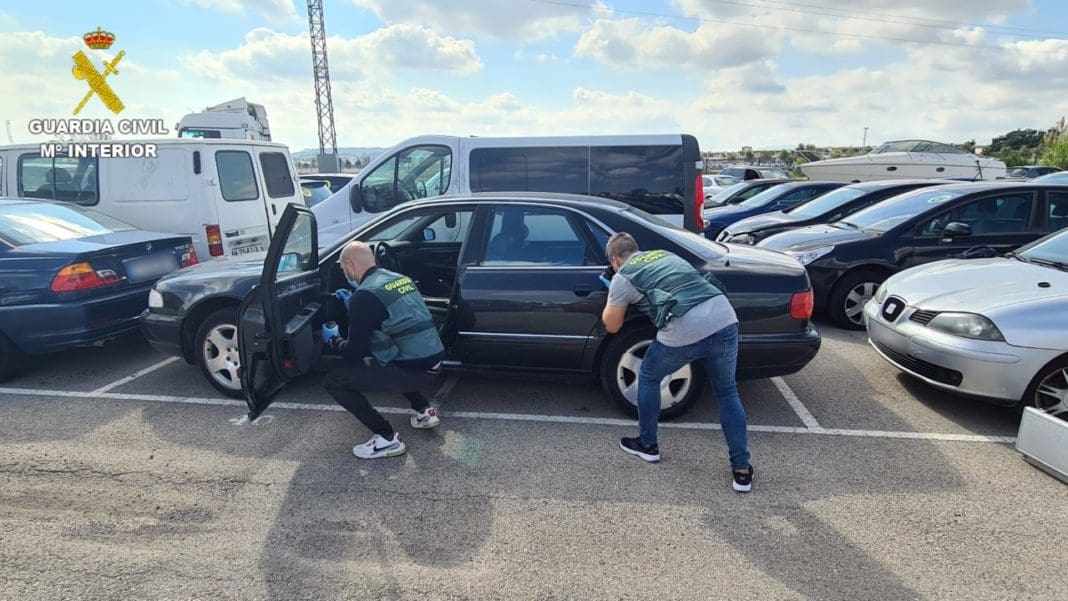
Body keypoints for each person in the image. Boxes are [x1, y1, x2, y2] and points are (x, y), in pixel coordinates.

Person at [600, 232, 754, 492]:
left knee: (649, 376)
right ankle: (741, 470)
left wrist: (612, 289)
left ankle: (648, 445)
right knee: (727, 392)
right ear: (636, 250)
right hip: (724, 319)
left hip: (684, 329)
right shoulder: (664, 254)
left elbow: (612, 325)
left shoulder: (623, 277)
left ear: (615, 260)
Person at [322, 241, 445, 460]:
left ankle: (387, 438)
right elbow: (389, 316)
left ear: (349, 265)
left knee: (334, 381)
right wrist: (354, 306)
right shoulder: (399, 278)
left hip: (414, 370)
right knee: (393, 355)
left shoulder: (364, 296)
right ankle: (424, 410)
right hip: (434, 360)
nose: (344, 273)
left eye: (342, 269)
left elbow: (353, 354)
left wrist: (333, 339)